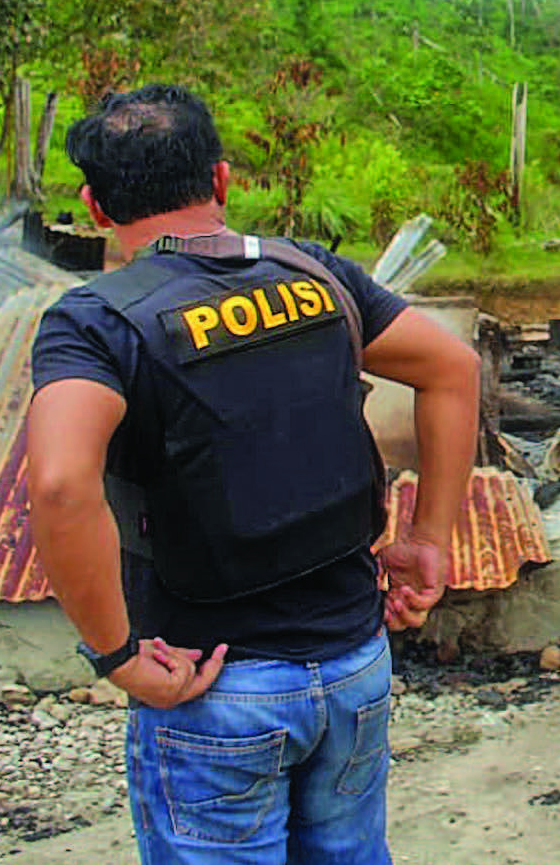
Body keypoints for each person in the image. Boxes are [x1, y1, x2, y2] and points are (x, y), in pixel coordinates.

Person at [26, 84, 480, 864]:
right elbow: (453, 368)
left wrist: (117, 655)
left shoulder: (97, 321)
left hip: (211, 683)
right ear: (222, 180)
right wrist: (428, 537)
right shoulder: (316, 274)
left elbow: (62, 484)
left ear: (96, 206)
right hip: (355, 665)